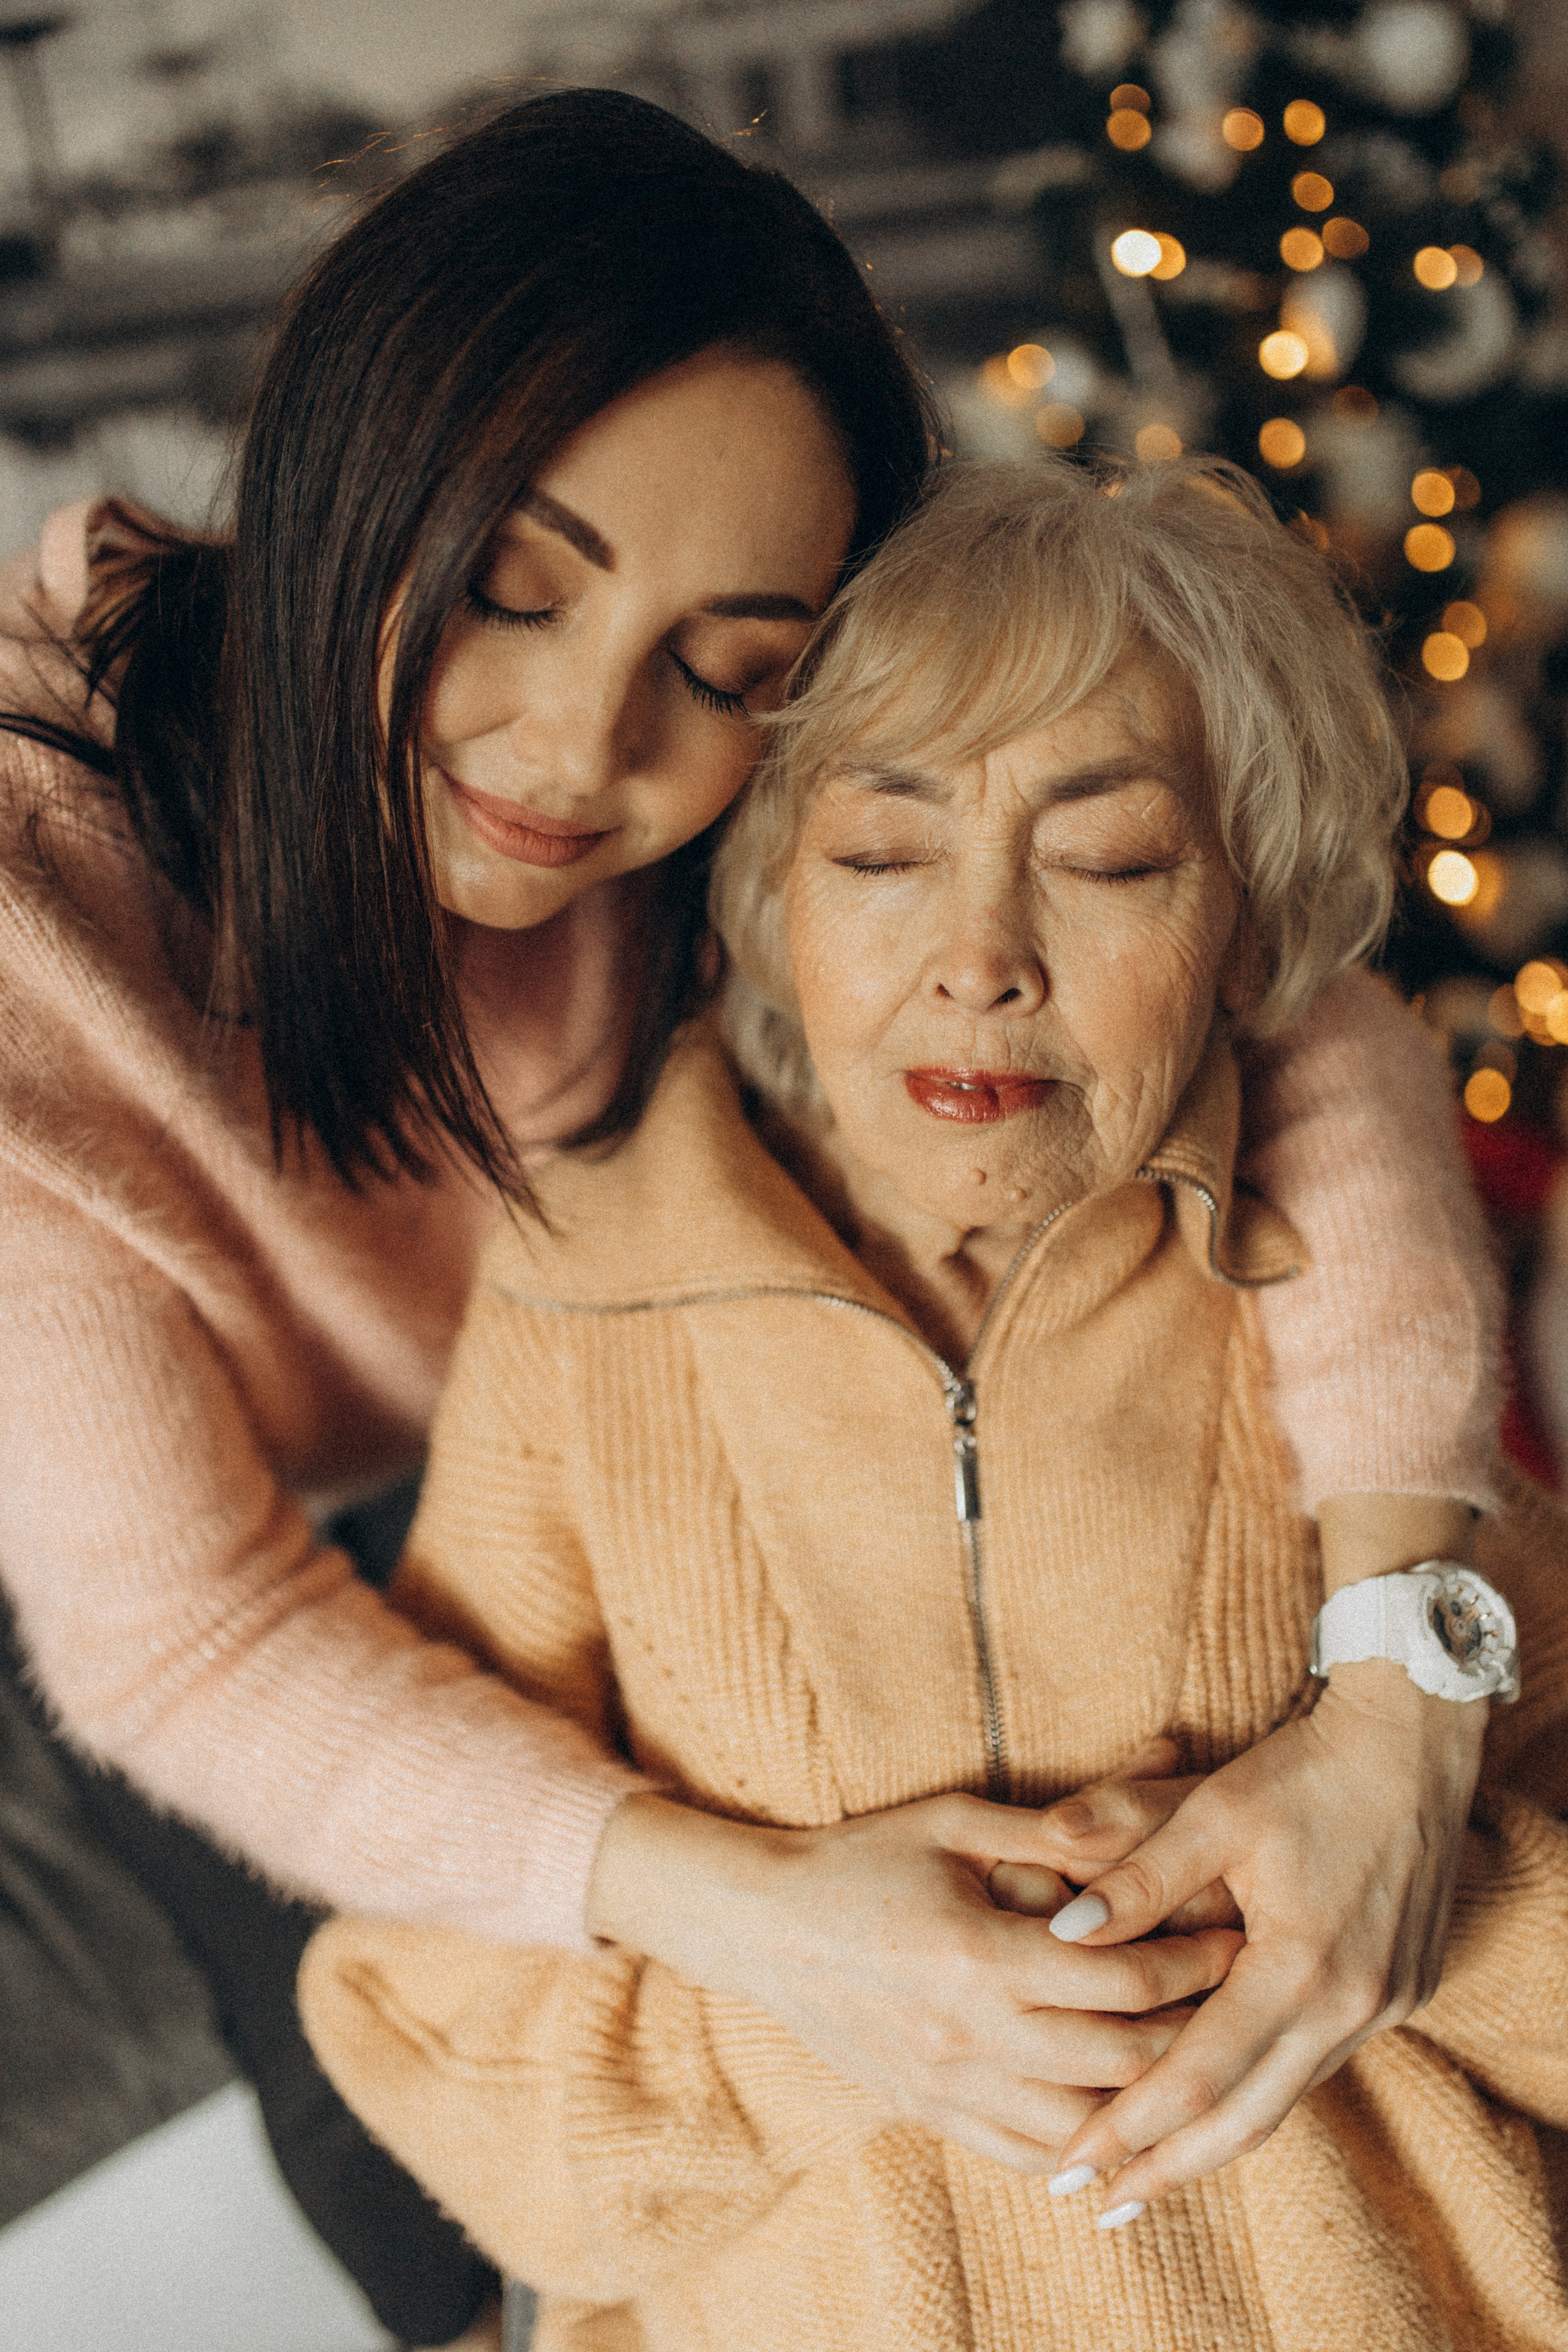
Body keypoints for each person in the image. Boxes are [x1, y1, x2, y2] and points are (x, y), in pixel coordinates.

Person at [0, 89, 1498, 2343]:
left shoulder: (793, 807)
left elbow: (1280, 1011)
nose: (580, 750)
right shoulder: (31, 936)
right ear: (341, 469)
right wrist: (764, 1923)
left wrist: (1401, 1686)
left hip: (568, 1360)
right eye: (510, 590)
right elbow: (187, 1637)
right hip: (201, 1529)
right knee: (409, 2192)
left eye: (726, 669)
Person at [300, 456, 1568, 2350]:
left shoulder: (1356, 1319)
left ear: (1246, 925)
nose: (979, 958)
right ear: (766, 894)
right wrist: (819, 2011)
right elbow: (431, 2036)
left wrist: (1391, 1906)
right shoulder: (581, 1309)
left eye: (1111, 859)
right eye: (881, 855)